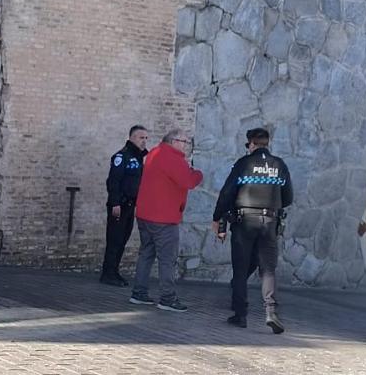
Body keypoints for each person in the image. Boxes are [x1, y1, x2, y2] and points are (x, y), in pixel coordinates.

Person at [213, 128, 293, 333]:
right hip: (270, 222)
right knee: (268, 269)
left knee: (240, 269)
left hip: (244, 221)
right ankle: (271, 312)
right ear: (267, 143)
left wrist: (218, 217)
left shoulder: (244, 163)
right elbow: (288, 197)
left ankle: (240, 314)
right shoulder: (279, 164)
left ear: (252, 144)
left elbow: (227, 192)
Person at [129, 129, 203, 313]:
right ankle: (167, 298)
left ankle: (139, 293)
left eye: (187, 142)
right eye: (183, 141)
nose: (186, 145)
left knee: (146, 254)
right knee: (167, 259)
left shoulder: (155, 152)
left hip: (146, 214)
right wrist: (198, 174)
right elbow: (188, 181)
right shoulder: (172, 158)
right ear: (172, 141)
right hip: (163, 218)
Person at [99, 125, 149, 286]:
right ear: (132, 138)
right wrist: (115, 202)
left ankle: (114, 271)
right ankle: (108, 273)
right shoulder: (122, 156)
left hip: (130, 205)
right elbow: (114, 181)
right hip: (119, 204)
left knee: (122, 239)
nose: (144, 141)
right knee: (115, 239)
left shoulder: (138, 157)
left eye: (146, 138)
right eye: (141, 138)